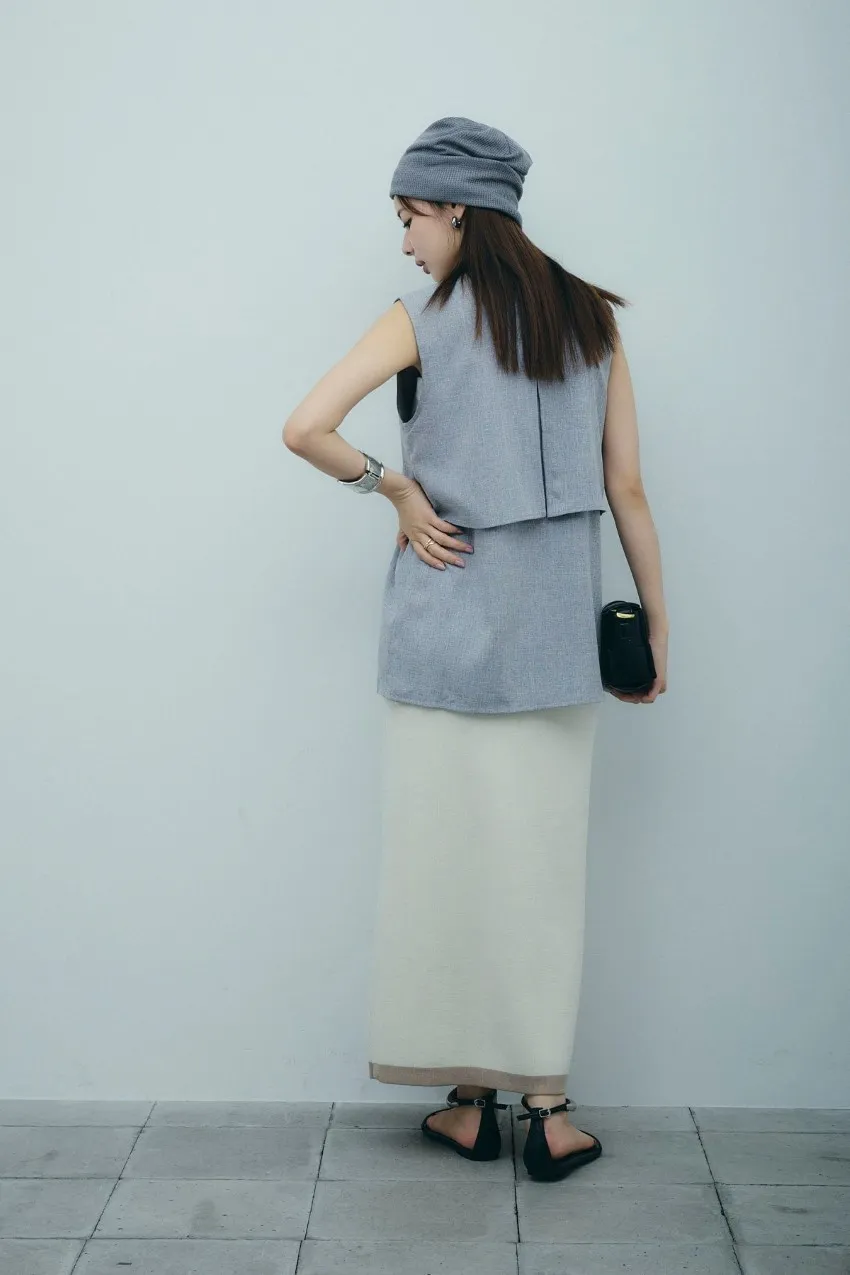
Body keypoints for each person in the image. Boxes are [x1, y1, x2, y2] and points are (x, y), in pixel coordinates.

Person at [283, 116, 668, 1182]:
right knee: (540, 872)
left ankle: (467, 1103)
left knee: (445, 868)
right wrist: (652, 626)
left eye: (412, 216)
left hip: (444, 630)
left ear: (458, 207)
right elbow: (628, 488)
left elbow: (305, 427)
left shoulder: (419, 318)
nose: (406, 241)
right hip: (555, 640)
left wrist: (396, 492)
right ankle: (545, 1110)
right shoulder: (590, 318)